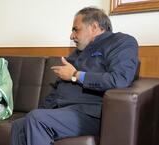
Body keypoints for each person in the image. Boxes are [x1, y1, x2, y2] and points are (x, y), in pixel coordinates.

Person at [10, 7, 139, 145]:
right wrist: (42, 109)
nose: (71, 36)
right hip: (64, 110)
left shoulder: (121, 42)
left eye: (75, 29)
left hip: (90, 114)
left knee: (36, 118)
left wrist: (75, 75)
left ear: (94, 27)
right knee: (19, 125)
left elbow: (119, 79)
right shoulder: (77, 53)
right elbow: (59, 88)